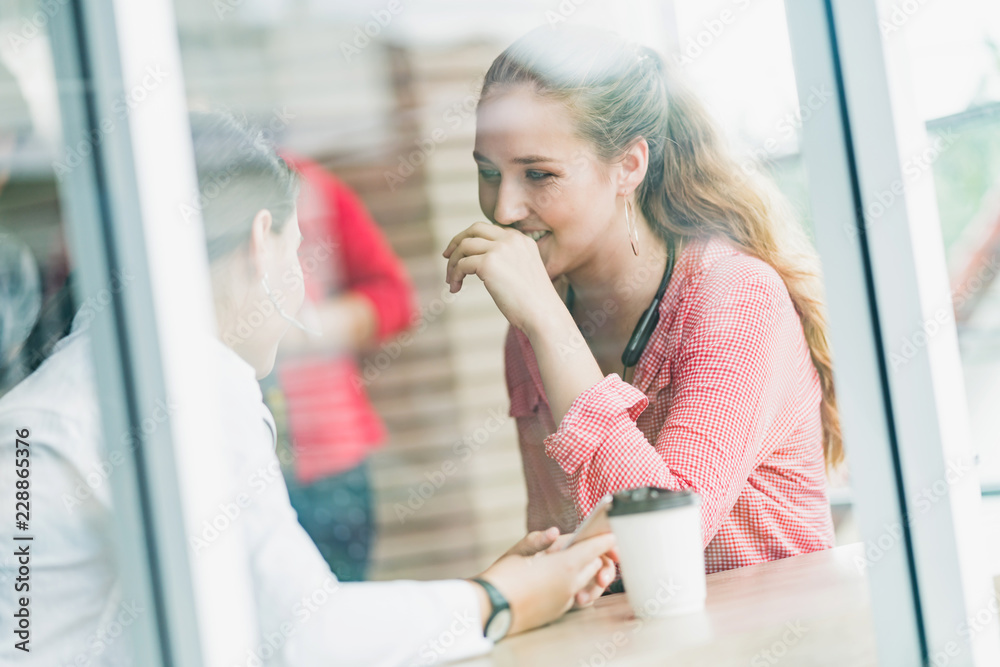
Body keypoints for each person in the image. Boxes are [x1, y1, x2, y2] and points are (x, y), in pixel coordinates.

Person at [0, 111, 617, 667]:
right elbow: (306, 639)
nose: (297, 283)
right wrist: (497, 600)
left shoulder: (86, 377)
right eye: (296, 253)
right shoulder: (187, 380)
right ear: (260, 239)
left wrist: (484, 594)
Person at [443, 26, 841, 574]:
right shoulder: (530, 332)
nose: (504, 208)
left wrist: (548, 324)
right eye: (488, 173)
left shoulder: (736, 297)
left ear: (629, 166)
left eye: (540, 174)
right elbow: (570, 549)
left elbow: (667, 540)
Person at [271, 152, 416, 581]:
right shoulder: (146, 196)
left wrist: (303, 331)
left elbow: (395, 298)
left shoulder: (308, 185)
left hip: (329, 463)